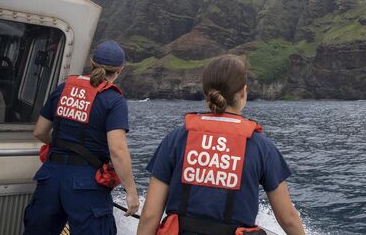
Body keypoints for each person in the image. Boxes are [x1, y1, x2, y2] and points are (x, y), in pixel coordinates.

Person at [137, 54, 305, 235]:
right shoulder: (261, 147)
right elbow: (288, 219)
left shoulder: (176, 139)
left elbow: (149, 216)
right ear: (243, 92)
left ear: (206, 91)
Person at [24, 41, 139, 235]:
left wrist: (61, 147)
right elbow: (117, 150)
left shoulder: (63, 88)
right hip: (87, 184)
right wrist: (131, 192)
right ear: (119, 70)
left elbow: (40, 132)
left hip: (50, 177)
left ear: (92, 63)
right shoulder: (113, 100)